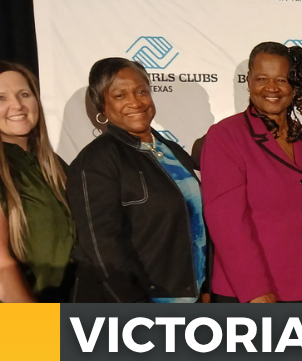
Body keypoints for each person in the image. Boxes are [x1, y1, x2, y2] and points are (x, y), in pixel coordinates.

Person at [67, 58, 206, 303]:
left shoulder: (173, 151)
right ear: (102, 105)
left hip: (190, 298)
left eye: (141, 91)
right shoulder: (97, 160)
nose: (135, 102)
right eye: (120, 96)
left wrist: (205, 288)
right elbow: (101, 248)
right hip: (139, 304)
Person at [201, 42, 302, 303]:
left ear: (294, 85)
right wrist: (255, 290)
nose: (271, 88)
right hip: (250, 292)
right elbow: (227, 222)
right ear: (248, 82)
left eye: (281, 79)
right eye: (262, 79)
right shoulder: (226, 136)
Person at [0, 61, 74, 303]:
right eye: (1, 98)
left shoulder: (55, 165)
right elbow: (1, 267)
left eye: (24, 94)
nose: (17, 105)